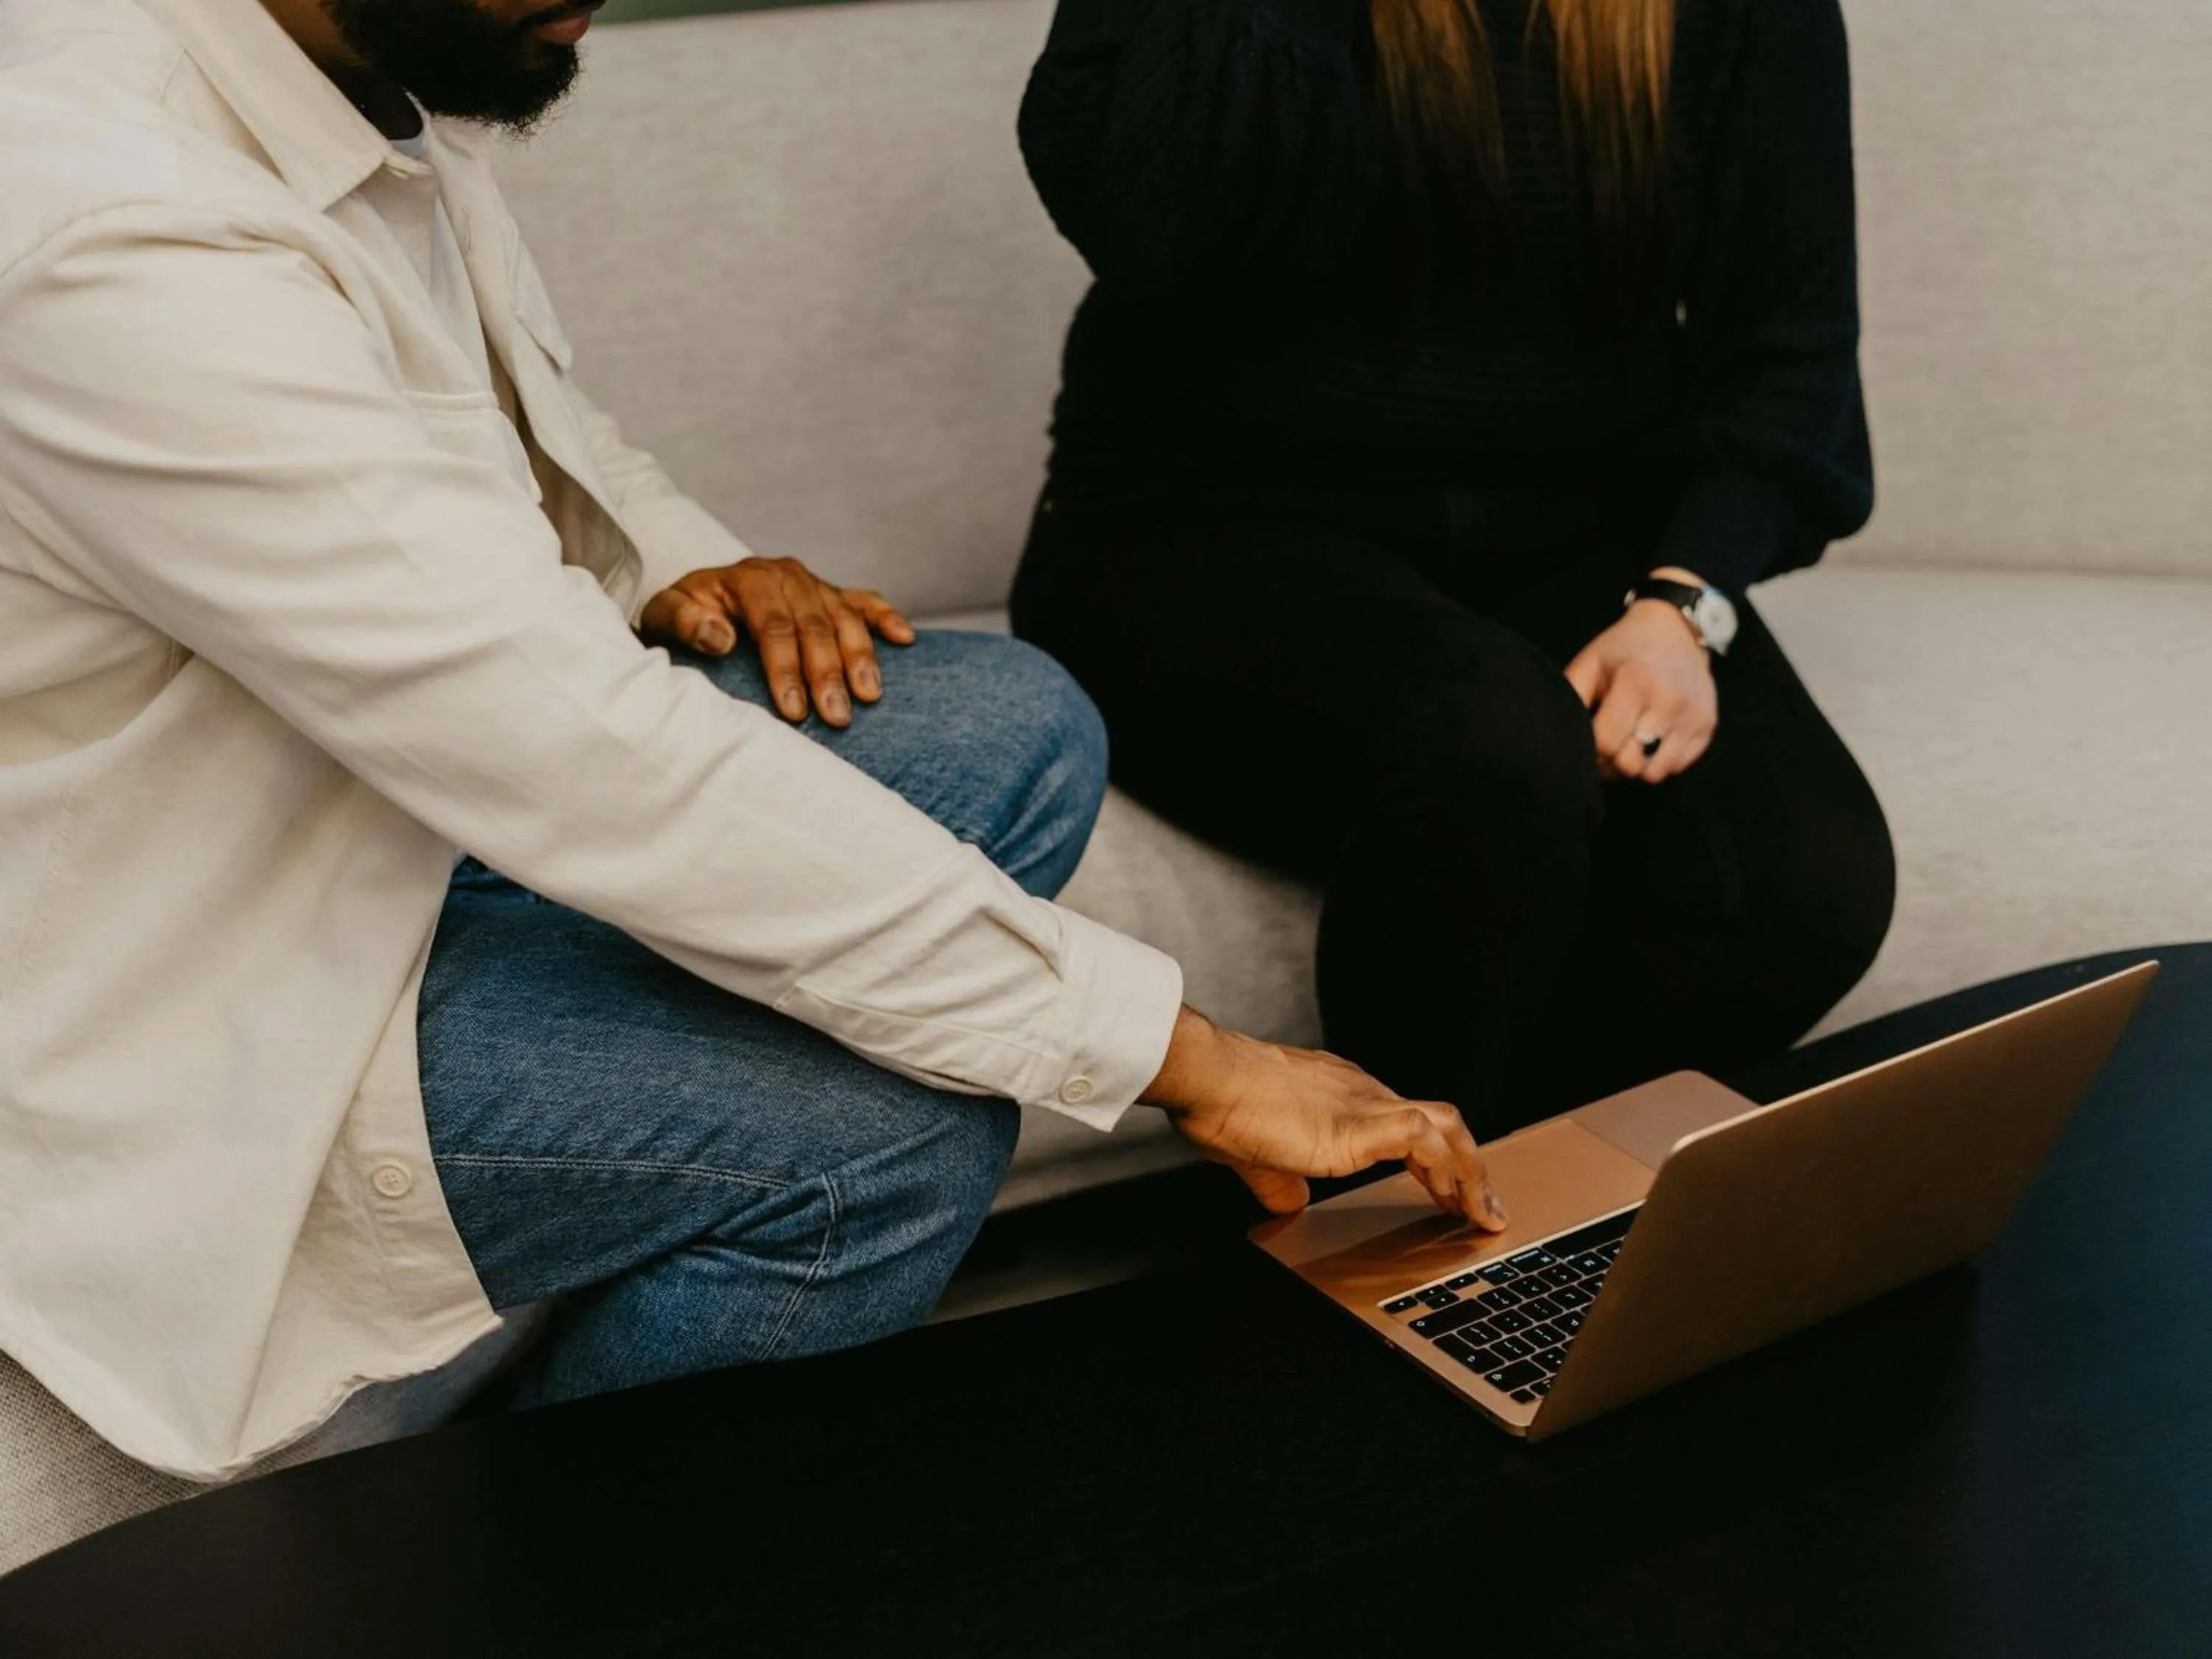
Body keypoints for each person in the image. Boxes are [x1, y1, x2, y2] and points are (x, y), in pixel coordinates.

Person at [0, 0, 1506, 1482]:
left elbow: (509, 434)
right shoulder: (121, 227)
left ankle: (657, 1215)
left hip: (375, 810)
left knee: (1016, 730)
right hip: (192, 985)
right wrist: (1191, 1056)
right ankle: (523, 1590)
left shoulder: (359, 63)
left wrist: (666, 556)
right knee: (898, 1134)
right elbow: (575, 748)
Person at [1012, 0, 1898, 1140]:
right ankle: (1396, 1244)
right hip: (1191, 531)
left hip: (1568, 531)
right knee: (1496, 750)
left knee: (1801, 883)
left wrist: (1684, 600)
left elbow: (1789, 352)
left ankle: (1484, 1215)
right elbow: (1146, 220)